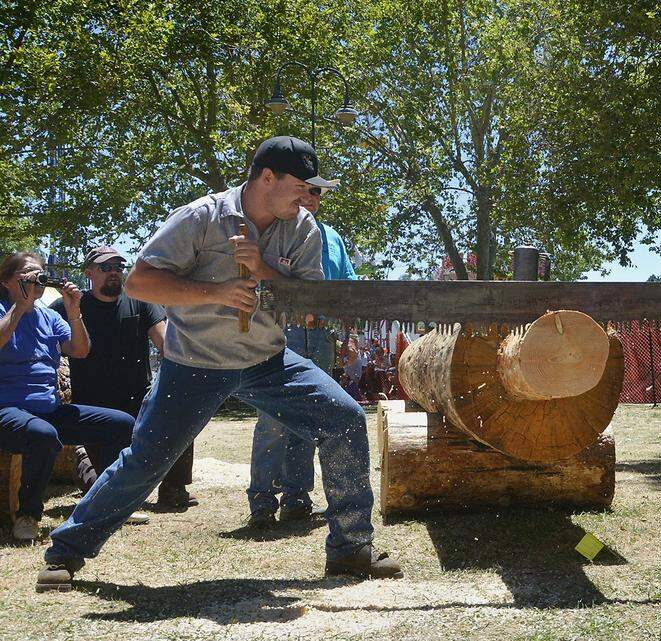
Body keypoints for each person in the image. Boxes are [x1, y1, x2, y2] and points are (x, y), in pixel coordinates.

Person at [36, 136, 401, 592]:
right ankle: (65, 552)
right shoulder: (201, 217)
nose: (308, 197)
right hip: (195, 362)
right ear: (267, 177)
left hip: (268, 360)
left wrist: (264, 269)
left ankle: (351, 550)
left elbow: (309, 308)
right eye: (302, 186)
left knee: (345, 418)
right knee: (146, 461)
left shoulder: (304, 227)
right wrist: (215, 292)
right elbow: (141, 282)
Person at [246, 178, 359, 529]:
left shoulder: (333, 238)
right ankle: (262, 502)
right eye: (305, 189)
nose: (310, 197)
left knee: (311, 417)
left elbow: (347, 290)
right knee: (273, 419)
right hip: (280, 331)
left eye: (316, 193)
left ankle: (297, 498)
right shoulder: (276, 231)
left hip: (321, 334)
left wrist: (349, 335)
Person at [0, 252, 136, 542]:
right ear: (7, 281)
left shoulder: (49, 316)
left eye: (39, 272)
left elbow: (80, 350)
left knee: (121, 424)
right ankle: (28, 515)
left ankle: (104, 503)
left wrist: (75, 313)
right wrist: (20, 308)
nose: (36, 278)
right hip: (7, 410)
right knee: (43, 434)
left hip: (48, 411)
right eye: (27, 273)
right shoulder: (3, 309)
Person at [49, 247, 197, 510]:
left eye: (118, 267)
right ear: (89, 273)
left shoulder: (140, 301)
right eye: (106, 268)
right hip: (93, 408)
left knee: (181, 410)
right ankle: (82, 459)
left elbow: (166, 344)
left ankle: (174, 488)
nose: (114, 273)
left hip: (138, 400)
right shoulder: (66, 306)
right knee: (104, 490)